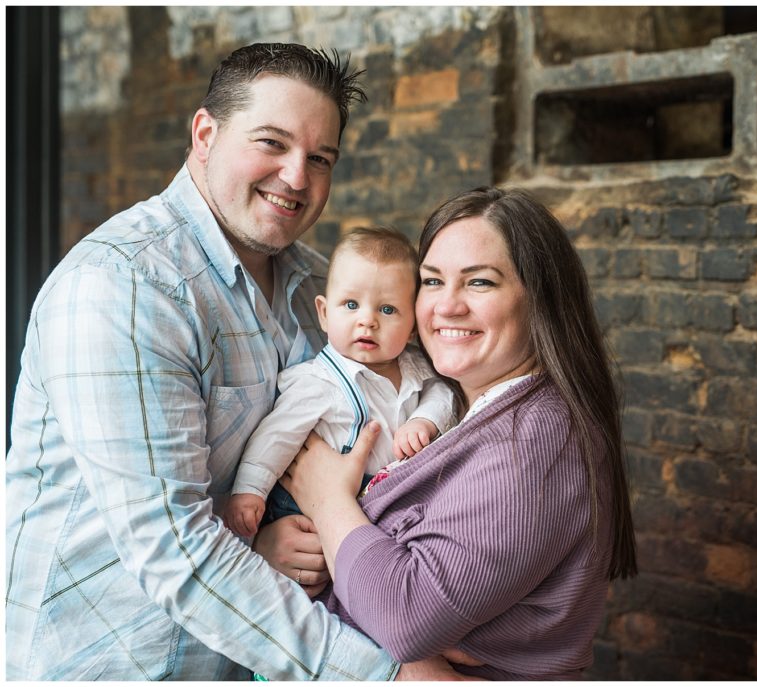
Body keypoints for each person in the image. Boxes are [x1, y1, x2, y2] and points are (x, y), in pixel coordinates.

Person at [5, 43, 456, 680]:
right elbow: (174, 550)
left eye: (319, 158)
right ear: (206, 134)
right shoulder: (126, 285)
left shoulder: (321, 293)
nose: (297, 177)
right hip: (106, 663)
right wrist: (390, 673)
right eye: (271, 143)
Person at [272, 186, 639, 680]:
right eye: (431, 281)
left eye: (480, 283)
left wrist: (325, 499)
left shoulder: (532, 443)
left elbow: (404, 617)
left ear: (541, 299)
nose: (447, 306)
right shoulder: (450, 405)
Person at [225, 227, 455, 542]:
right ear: (323, 313)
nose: (367, 320)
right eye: (350, 304)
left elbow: (444, 395)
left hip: (388, 498)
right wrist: (251, 489)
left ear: (413, 328)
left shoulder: (416, 366)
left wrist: (424, 420)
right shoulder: (318, 381)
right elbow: (278, 435)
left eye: (387, 310)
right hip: (309, 505)